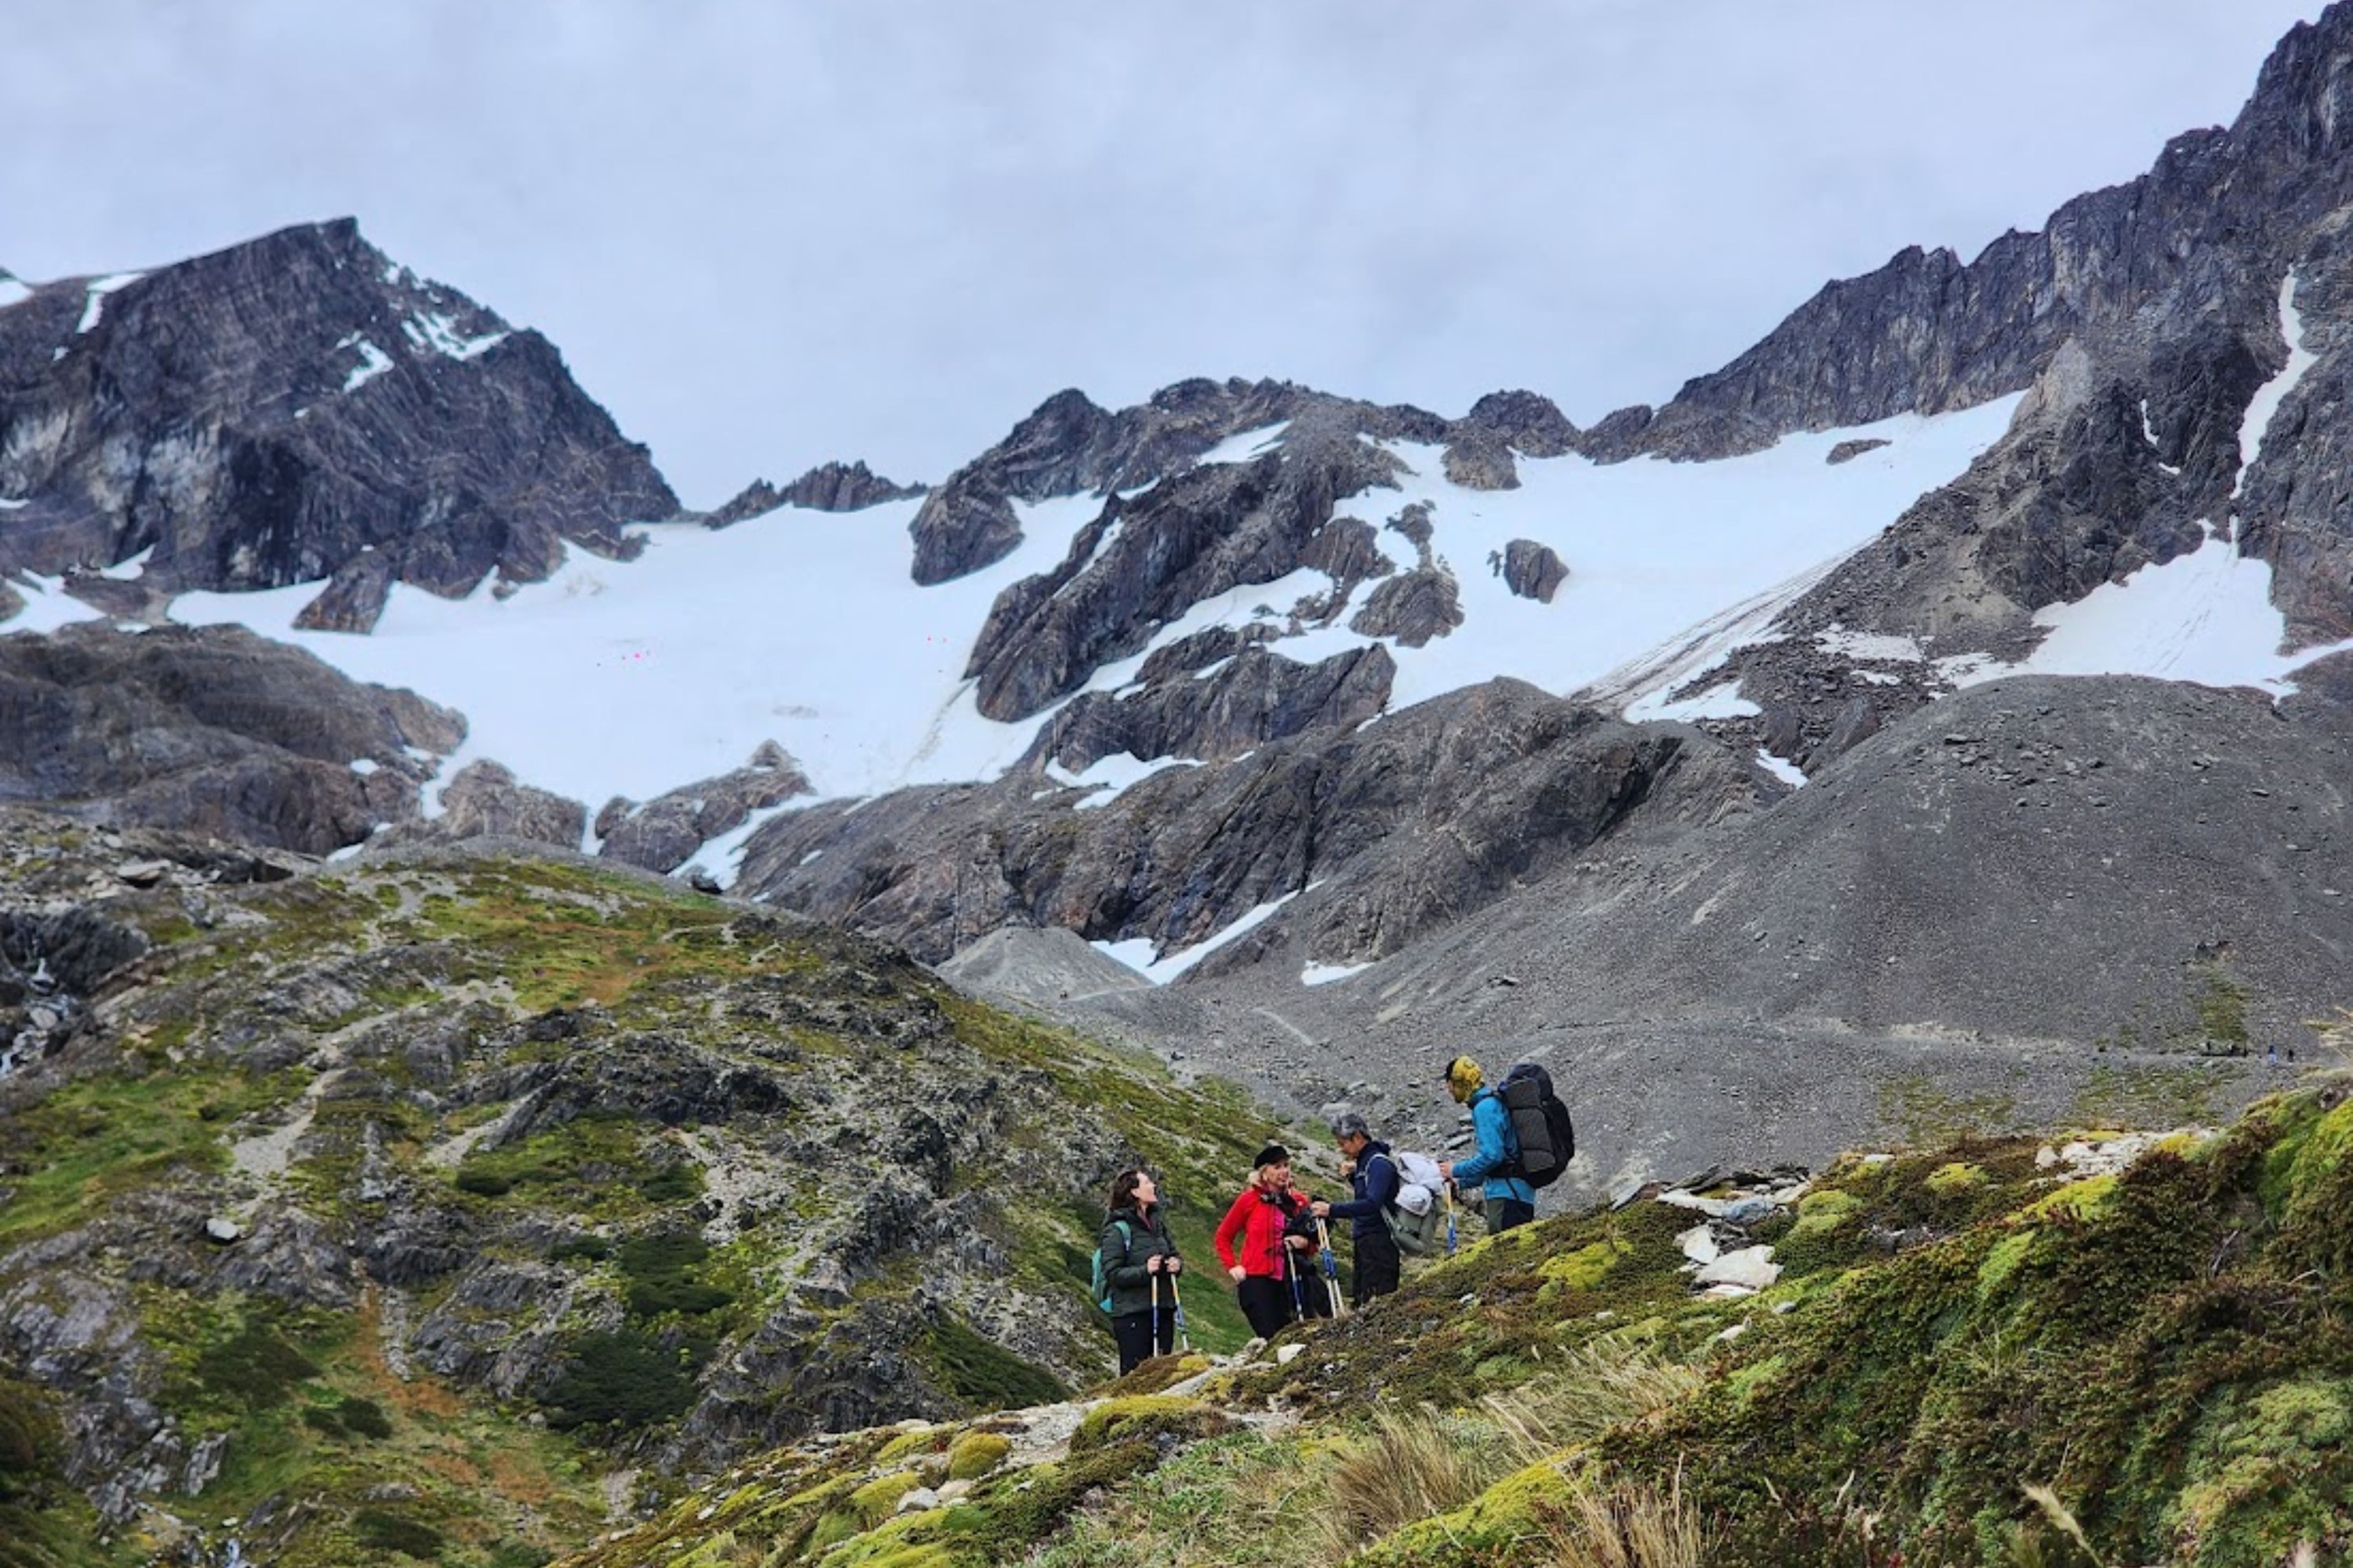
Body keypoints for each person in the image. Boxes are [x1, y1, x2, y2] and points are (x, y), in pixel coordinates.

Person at [1214, 1144, 1324, 1338]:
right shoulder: (1248, 1200)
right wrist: (1232, 1266)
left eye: (1286, 1165)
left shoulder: (1298, 1202)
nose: (1284, 1171)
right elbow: (1223, 1236)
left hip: (1293, 1276)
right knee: (1271, 1335)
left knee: (1302, 1331)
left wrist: (1305, 1244)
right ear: (1264, 1173)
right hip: (1258, 1279)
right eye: (1277, 1167)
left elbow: (1316, 1239)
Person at [1311, 1111, 1402, 1308]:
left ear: (1358, 1137)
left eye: (1343, 1143)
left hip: (1379, 1241)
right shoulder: (1365, 1164)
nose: (1341, 1148)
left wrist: (1331, 1210)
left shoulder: (1378, 1164)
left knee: (1377, 1298)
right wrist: (1353, 1178)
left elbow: (1372, 1203)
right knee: (1364, 1297)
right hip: (1367, 1241)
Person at [1099, 1168, 1184, 1374]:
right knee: (1135, 1373)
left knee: (1161, 1371)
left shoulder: (1157, 1225)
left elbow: (1173, 1253)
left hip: (1163, 1307)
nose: (1153, 1186)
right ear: (1134, 1192)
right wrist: (1145, 1271)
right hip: (1132, 1314)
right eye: (1147, 1183)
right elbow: (1113, 1273)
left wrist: (1176, 1264)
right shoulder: (1117, 1230)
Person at [1438, 1055, 1537, 1234]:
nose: (1449, 1090)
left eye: (1450, 1083)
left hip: (1506, 1196)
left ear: (1460, 1081)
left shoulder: (1484, 1108)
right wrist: (1459, 1182)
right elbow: (1495, 1165)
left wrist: (1455, 1170)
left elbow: (1492, 1156)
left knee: (1505, 1254)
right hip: (1519, 1193)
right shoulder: (1495, 1103)